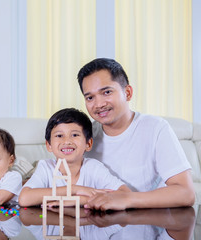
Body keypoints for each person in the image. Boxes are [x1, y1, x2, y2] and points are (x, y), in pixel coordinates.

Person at [77, 58, 195, 211]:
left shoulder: (156, 128)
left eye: (106, 92)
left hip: (148, 222)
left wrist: (126, 199)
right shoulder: (85, 136)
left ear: (127, 93)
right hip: (99, 224)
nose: (99, 104)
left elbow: (186, 193)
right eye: (90, 97)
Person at [18, 108, 130, 207]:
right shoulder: (46, 167)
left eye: (75, 135)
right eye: (59, 136)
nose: (67, 141)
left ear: (88, 144)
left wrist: (81, 200)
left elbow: (125, 194)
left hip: (89, 225)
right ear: (49, 145)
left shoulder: (93, 167)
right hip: (54, 226)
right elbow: (24, 199)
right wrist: (73, 190)